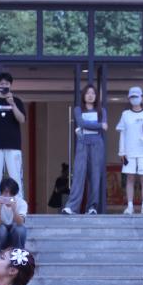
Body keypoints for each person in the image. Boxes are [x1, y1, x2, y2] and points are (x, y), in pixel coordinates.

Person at [0, 71, 26, 210]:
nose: (4, 86)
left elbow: (22, 119)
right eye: (1, 84)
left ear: (11, 85)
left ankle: (19, 207)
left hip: (13, 145)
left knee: (16, 177)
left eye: (7, 84)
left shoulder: (17, 101)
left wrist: (12, 104)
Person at [63, 85, 107, 215]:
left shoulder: (102, 110)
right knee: (78, 174)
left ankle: (92, 207)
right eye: (88, 93)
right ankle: (71, 207)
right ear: (83, 95)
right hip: (82, 143)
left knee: (95, 176)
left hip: (97, 144)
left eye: (93, 93)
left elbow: (104, 127)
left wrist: (98, 126)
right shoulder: (78, 109)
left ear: (96, 96)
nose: (90, 95)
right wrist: (99, 125)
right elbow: (81, 123)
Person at [116, 86, 143, 216]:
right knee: (130, 178)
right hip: (129, 152)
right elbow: (122, 133)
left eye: (136, 96)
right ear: (129, 98)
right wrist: (122, 152)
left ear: (141, 98)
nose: (134, 99)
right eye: (132, 97)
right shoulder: (125, 114)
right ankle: (130, 206)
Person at [0, 177, 28, 263]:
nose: (8, 196)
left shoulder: (21, 203)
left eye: (11, 193)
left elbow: (20, 223)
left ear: (15, 194)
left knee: (20, 229)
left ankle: (18, 255)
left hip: (14, 234)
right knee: (1, 229)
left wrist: (14, 209)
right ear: (1, 192)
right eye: (5, 192)